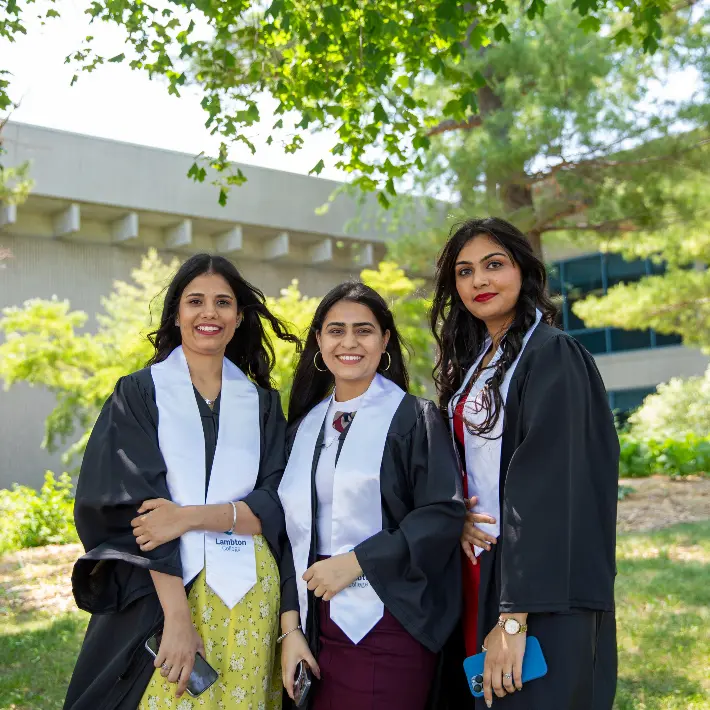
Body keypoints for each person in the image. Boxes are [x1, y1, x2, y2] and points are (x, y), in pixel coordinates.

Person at [64, 254, 301, 710]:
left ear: (238, 318)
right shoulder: (139, 393)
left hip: (249, 598)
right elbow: (137, 511)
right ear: (177, 313)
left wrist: (188, 518)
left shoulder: (263, 404)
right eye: (196, 301)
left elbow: (274, 504)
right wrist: (177, 619)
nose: (209, 313)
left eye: (223, 302)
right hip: (162, 597)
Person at [432, 218, 619, 709]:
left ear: (524, 271)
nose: (480, 281)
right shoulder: (478, 359)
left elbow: (551, 490)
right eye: (465, 271)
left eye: (494, 265)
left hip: (538, 582)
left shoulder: (553, 355)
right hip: (481, 570)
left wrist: (515, 617)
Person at [277, 281, 466, 710]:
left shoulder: (416, 419)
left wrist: (358, 561)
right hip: (314, 621)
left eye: (363, 330)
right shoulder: (303, 430)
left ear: (384, 342)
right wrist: (291, 629)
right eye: (335, 330)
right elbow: (285, 536)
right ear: (319, 343)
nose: (349, 342)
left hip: (390, 618)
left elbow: (440, 514)